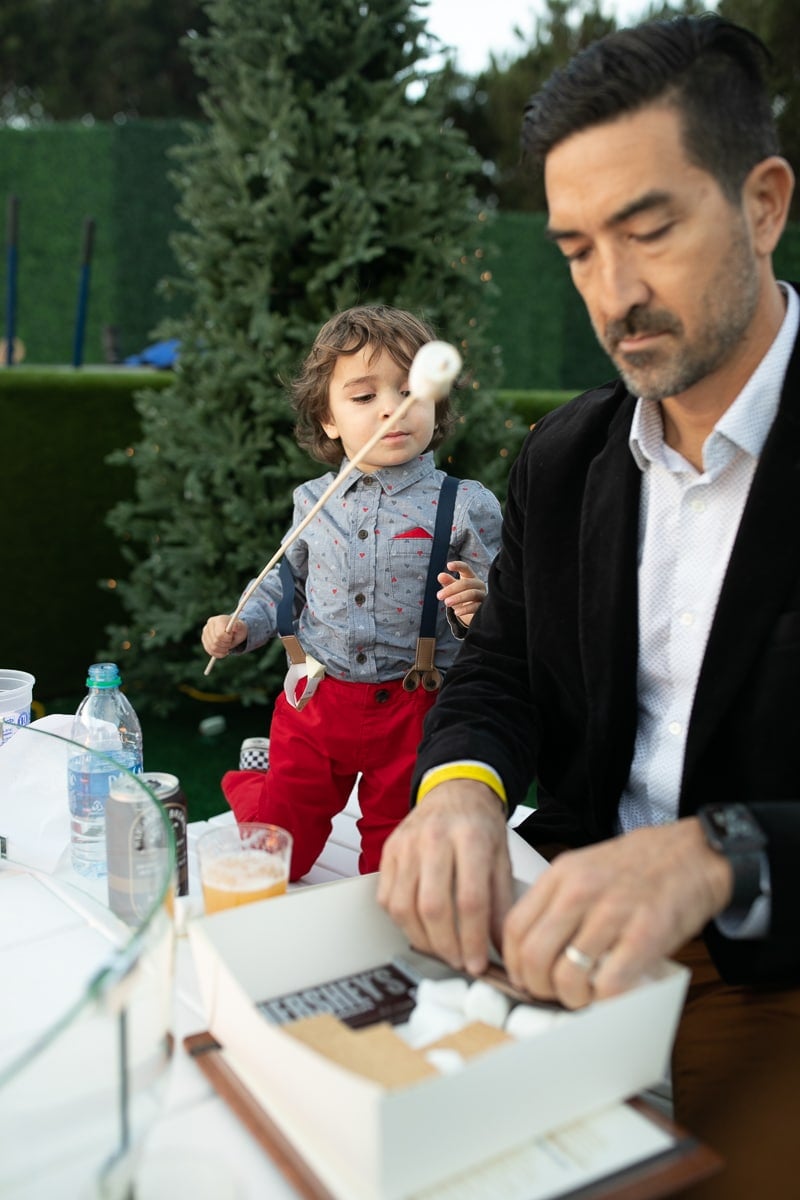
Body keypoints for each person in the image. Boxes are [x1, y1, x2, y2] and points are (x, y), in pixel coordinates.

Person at [377, 16, 800, 1198]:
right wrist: (459, 793)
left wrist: (721, 856)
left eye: (647, 229)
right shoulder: (563, 456)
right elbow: (499, 669)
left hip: (774, 970)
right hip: (556, 941)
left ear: (761, 203)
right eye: (574, 248)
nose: (612, 294)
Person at [202, 304, 502, 880]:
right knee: (277, 858)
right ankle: (257, 786)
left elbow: (507, 605)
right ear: (329, 419)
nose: (392, 407)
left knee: (392, 872)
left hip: (415, 707)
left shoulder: (464, 504)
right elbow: (283, 585)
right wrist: (242, 627)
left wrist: (477, 605)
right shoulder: (312, 501)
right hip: (317, 703)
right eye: (364, 397)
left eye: (411, 390)